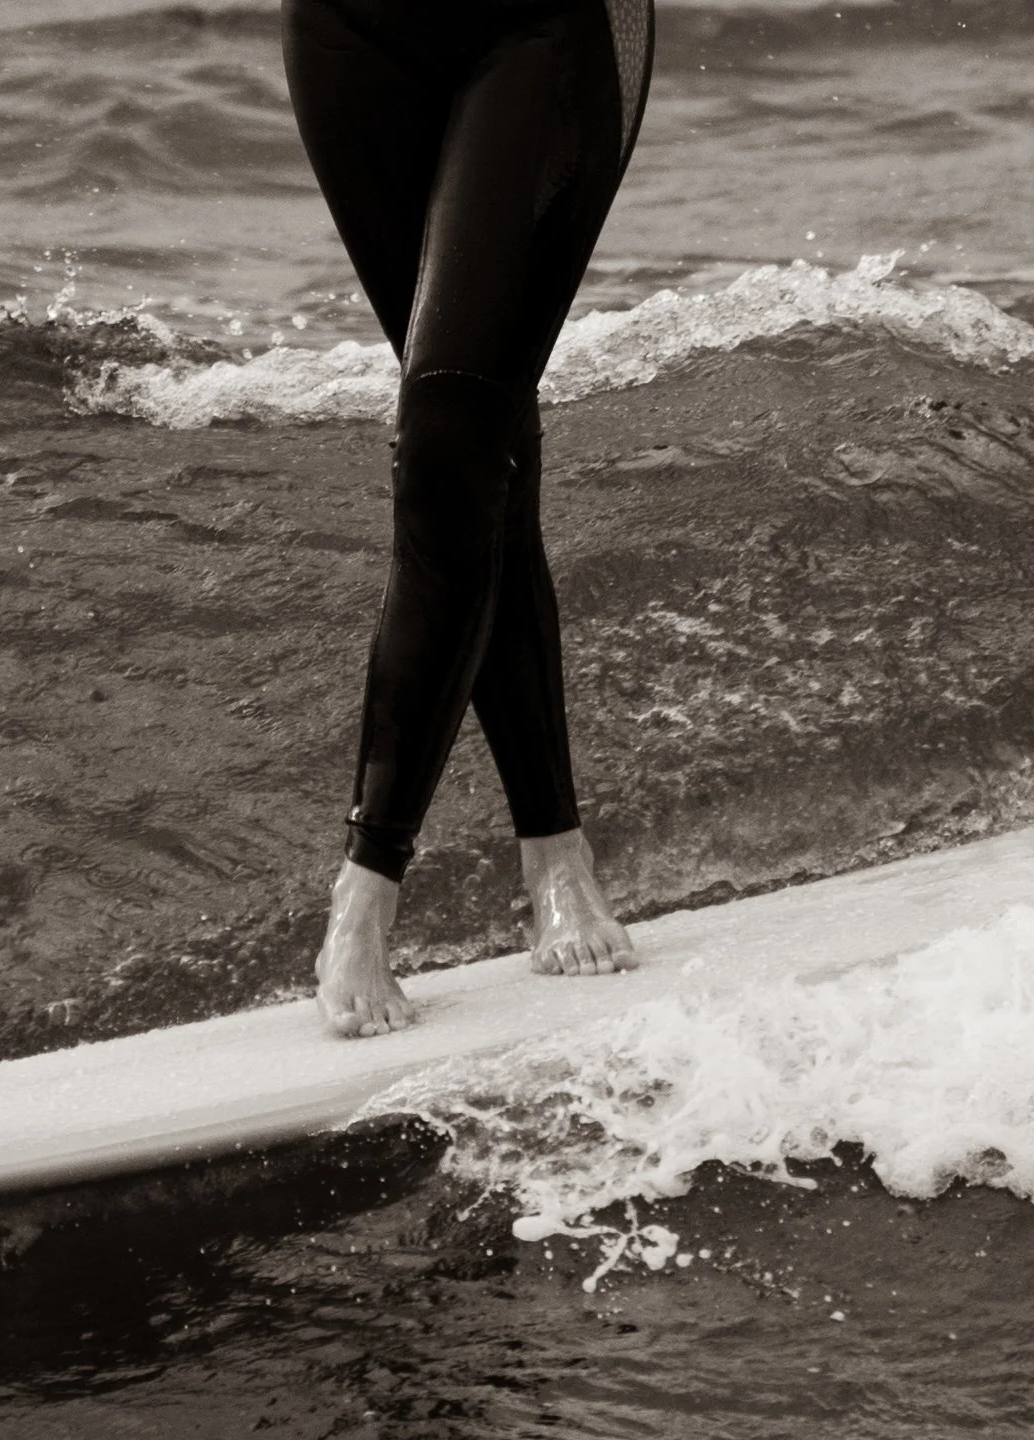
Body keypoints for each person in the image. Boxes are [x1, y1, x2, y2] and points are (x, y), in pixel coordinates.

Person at [282, 0, 655, 1037]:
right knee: (481, 429)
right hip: (348, 33)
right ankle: (555, 851)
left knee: (450, 428)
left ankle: (367, 881)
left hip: (546, 27)